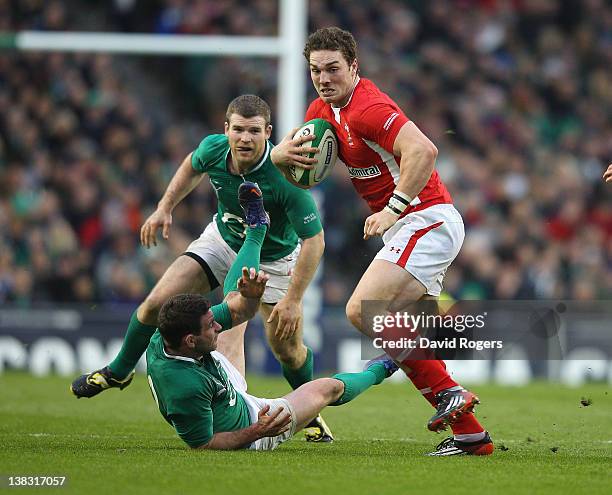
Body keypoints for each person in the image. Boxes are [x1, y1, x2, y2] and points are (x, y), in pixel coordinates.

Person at [271, 27, 493, 456]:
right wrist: (277, 154)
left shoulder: (368, 107)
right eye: (316, 70)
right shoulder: (321, 109)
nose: (324, 77)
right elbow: (292, 161)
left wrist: (394, 206)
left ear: (354, 67)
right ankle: (472, 436)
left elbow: (424, 151)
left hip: (425, 219)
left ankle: (451, 391)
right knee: (407, 338)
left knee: (362, 309)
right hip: (409, 227)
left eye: (333, 68)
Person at [71, 95, 333, 442]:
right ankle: (119, 372)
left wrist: (295, 300)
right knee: (157, 303)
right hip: (222, 240)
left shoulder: (285, 180)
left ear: (268, 132)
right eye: (237, 129)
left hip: (273, 259)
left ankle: (309, 411)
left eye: (253, 131)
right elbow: (191, 165)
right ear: (225, 129)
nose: (244, 138)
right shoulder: (214, 149)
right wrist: (165, 208)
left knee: (287, 349)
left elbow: (315, 241)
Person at [148, 290, 398, 451]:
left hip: (221, 384)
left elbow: (237, 309)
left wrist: (251, 293)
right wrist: (258, 430)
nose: (218, 326)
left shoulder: (166, 334)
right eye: (210, 325)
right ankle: (383, 366)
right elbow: (204, 445)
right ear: (190, 340)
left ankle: (255, 229)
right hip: (253, 421)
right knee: (327, 388)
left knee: (236, 299)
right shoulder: (184, 387)